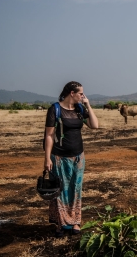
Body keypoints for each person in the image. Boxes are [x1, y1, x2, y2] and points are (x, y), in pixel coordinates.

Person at [44, 81, 98, 237]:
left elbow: (95, 125)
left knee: (75, 189)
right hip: (59, 157)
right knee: (60, 191)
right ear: (72, 93)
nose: (83, 96)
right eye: (81, 93)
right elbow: (49, 135)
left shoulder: (80, 109)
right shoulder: (55, 109)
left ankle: (75, 222)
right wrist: (47, 158)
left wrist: (88, 105)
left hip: (78, 157)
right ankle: (61, 224)